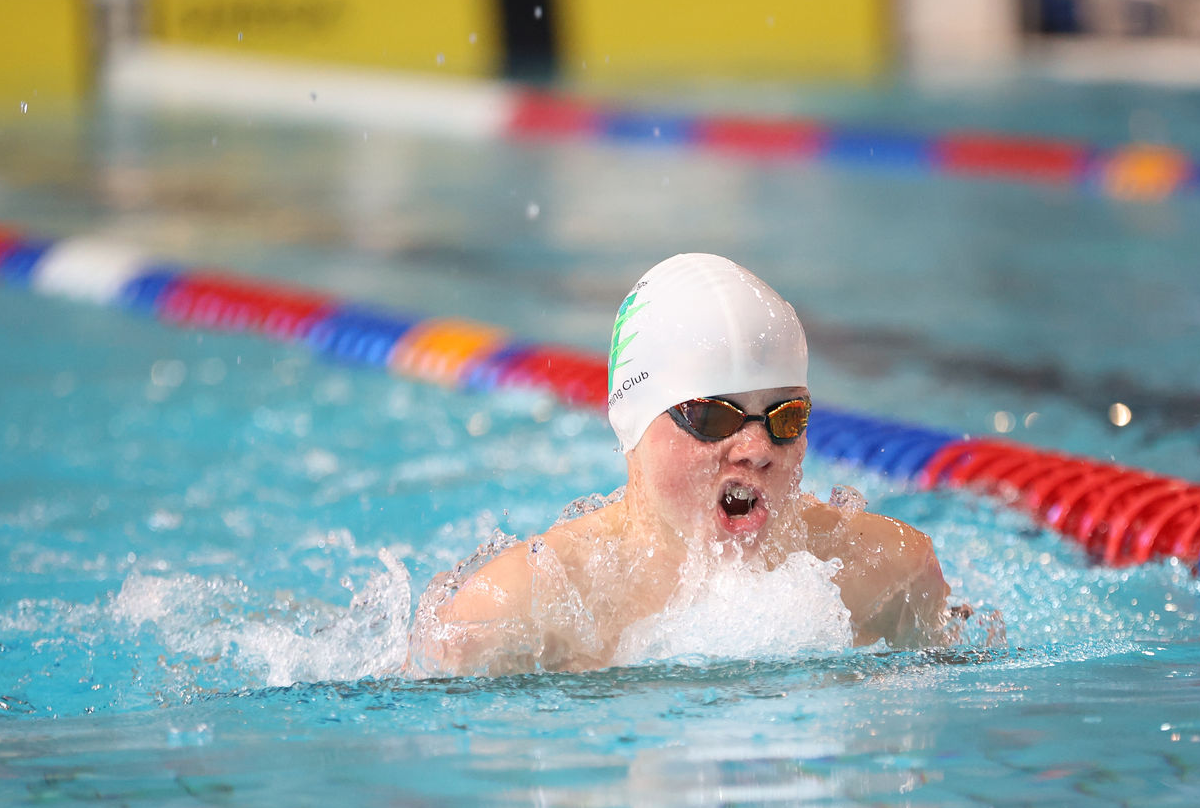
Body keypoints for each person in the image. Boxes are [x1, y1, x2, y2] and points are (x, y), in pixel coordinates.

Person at [407, 253, 969, 677]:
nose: (757, 447)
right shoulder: (516, 612)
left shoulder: (890, 574)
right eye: (712, 416)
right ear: (632, 421)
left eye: (785, 415)